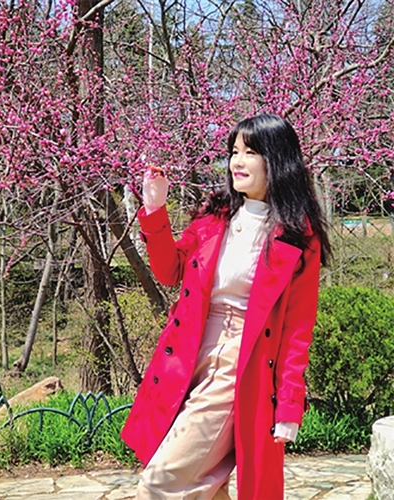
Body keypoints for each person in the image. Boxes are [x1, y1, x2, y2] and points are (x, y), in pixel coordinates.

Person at [120, 113, 331, 500]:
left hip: (240, 365)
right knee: (205, 488)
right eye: (234, 152)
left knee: (160, 484)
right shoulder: (216, 216)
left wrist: (289, 405)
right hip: (189, 355)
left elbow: (297, 329)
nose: (237, 161)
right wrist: (155, 208)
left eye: (250, 152)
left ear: (276, 160)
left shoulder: (298, 236)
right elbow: (170, 271)